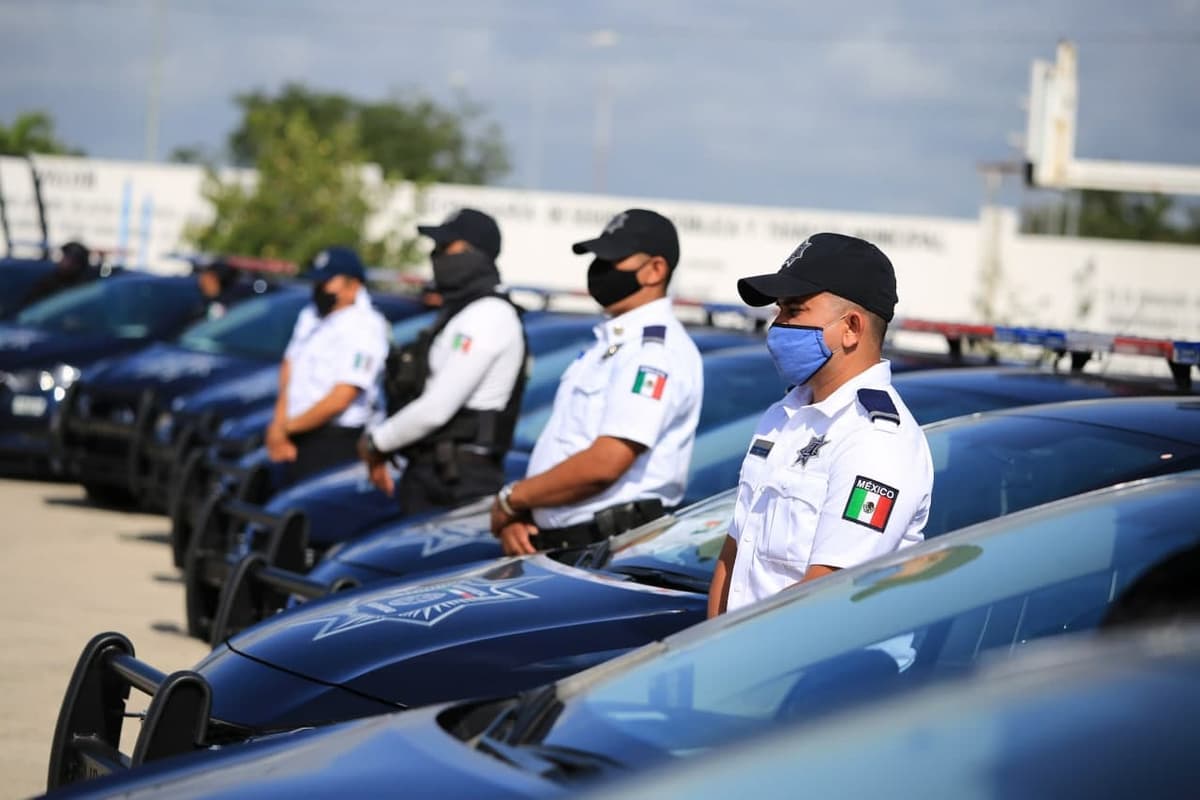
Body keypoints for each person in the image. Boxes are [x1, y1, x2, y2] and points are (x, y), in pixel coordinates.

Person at [707, 233, 934, 617]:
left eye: (794, 311)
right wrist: (710, 649)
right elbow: (733, 555)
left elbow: (829, 592)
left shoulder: (876, 440)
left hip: (818, 669)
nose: (777, 326)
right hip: (741, 658)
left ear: (851, 328)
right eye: (778, 310)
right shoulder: (784, 414)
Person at [489, 208, 704, 555]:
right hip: (565, 545)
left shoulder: (654, 352)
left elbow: (605, 464)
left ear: (655, 270)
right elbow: (569, 446)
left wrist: (513, 499)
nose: (599, 270)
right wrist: (527, 513)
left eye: (612, 260)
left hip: (608, 552)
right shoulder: (610, 343)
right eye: (598, 259)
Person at [359, 208, 527, 514]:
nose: (436, 256)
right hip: (435, 471)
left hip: (459, 481)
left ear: (475, 254)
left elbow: (436, 409)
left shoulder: (490, 314)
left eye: (446, 247)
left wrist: (376, 443)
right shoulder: (462, 311)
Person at [266, 245, 389, 484]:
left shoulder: (366, 327)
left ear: (353, 285)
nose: (319, 288)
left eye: (326, 282)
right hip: (294, 432)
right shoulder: (311, 315)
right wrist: (279, 425)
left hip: (333, 441)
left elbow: (343, 396)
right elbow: (290, 367)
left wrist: (285, 429)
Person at [19, 241, 96, 309]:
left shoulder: (85, 287)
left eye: (71, 260)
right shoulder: (49, 282)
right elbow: (30, 307)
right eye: (65, 257)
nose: (65, 262)